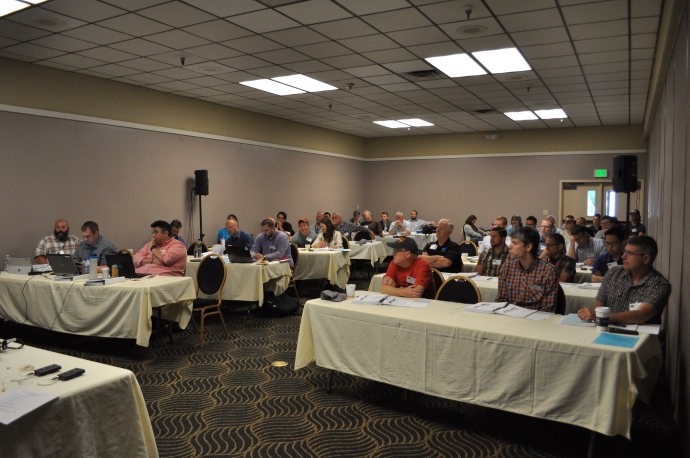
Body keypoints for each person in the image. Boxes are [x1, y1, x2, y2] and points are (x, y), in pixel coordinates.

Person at [577, 236, 671, 325]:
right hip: (608, 329)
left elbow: (641, 315)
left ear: (645, 259)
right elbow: (598, 304)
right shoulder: (613, 273)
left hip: (641, 336)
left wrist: (603, 317)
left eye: (630, 254)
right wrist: (601, 317)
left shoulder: (660, 285)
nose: (623, 256)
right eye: (624, 251)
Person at [496, 227, 557, 312]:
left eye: (514, 243)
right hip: (509, 318)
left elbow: (547, 309)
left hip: (536, 320)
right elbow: (500, 301)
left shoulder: (547, 271)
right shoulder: (507, 267)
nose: (510, 246)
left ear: (528, 247)